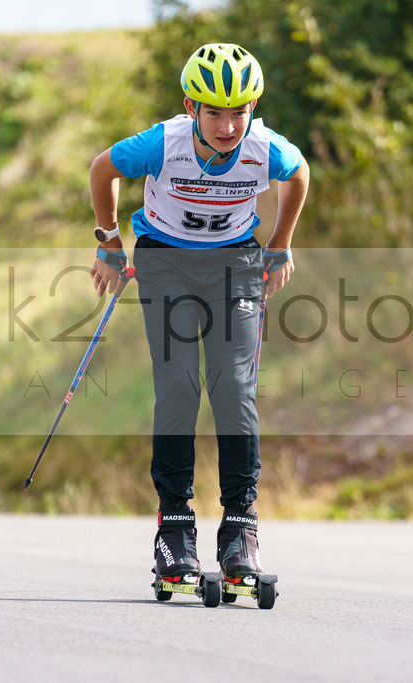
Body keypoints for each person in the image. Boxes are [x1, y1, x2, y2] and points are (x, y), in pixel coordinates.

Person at [88, 43, 310, 583]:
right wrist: (110, 243)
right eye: (214, 112)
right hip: (165, 261)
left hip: (235, 264)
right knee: (180, 385)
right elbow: (102, 169)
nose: (228, 127)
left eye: (239, 112)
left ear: (253, 108)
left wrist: (280, 245)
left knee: (233, 385)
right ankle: (174, 525)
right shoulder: (162, 144)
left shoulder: (264, 148)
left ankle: (240, 528)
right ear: (191, 107)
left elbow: (299, 173)